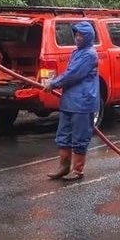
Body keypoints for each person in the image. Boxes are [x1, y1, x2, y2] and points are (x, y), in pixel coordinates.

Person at [42, 21, 99, 181]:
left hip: (83, 102)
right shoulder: (76, 52)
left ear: (88, 37)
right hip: (69, 101)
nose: (78, 38)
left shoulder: (89, 54)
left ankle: (78, 170)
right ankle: (64, 166)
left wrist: (53, 83)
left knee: (80, 137)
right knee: (63, 135)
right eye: (76, 34)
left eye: (81, 35)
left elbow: (73, 74)